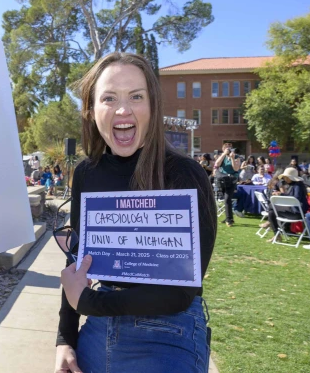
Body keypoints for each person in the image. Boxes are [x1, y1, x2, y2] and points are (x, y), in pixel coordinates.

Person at [55, 53, 216, 373]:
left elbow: (181, 292)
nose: (123, 109)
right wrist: (65, 339)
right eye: (109, 98)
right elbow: (77, 260)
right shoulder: (87, 174)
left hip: (168, 332)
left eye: (136, 97)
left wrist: (90, 303)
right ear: (91, 109)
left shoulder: (185, 176)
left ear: (153, 107)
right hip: (98, 330)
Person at [266, 168, 308, 242]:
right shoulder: (294, 185)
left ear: (290, 177)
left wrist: (281, 195)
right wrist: (281, 194)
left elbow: (295, 199)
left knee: (271, 207)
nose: (284, 178)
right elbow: (290, 196)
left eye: (285, 177)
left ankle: (273, 229)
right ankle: (277, 235)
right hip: (293, 211)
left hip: (297, 213)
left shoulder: (298, 186)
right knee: (271, 212)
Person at [214, 143, 241, 227]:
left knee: (227, 199)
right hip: (222, 180)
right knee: (226, 200)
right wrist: (224, 154)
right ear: (223, 149)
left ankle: (229, 220)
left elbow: (236, 168)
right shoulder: (222, 156)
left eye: (230, 148)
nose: (229, 149)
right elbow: (217, 164)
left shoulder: (236, 157)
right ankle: (228, 218)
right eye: (227, 148)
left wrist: (232, 158)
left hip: (232, 180)